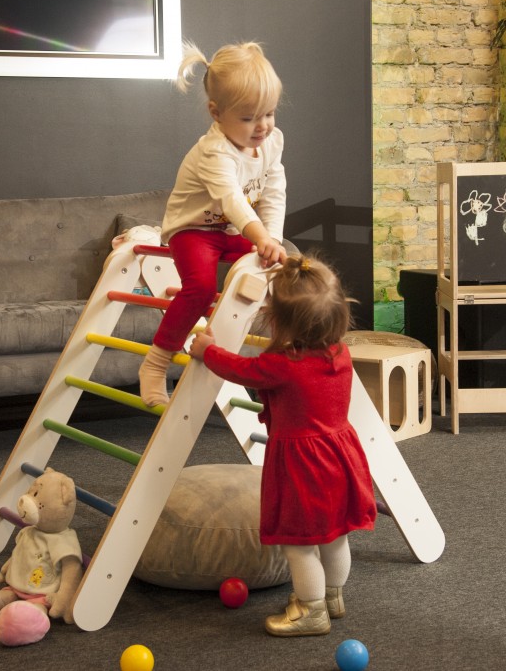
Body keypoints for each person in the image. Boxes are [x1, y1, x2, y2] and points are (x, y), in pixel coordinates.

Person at [189, 254, 377, 637]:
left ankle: (311, 611)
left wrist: (206, 349)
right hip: (340, 458)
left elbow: (239, 369)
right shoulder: (340, 353)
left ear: (281, 321)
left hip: (303, 466)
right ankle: (333, 597)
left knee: (300, 544)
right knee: (335, 534)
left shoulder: (284, 364)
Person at [138, 40, 288, 406]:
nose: (262, 126)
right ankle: (155, 364)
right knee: (201, 287)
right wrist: (259, 236)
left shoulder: (271, 142)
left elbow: (274, 190)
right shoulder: (214, 152)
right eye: (249, 117)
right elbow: (232, 200)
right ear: (216, 113)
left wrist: (272, 239)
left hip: (233, 231)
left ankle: (286, 363)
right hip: (194, 231)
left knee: (285, 265)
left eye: (269, 113)